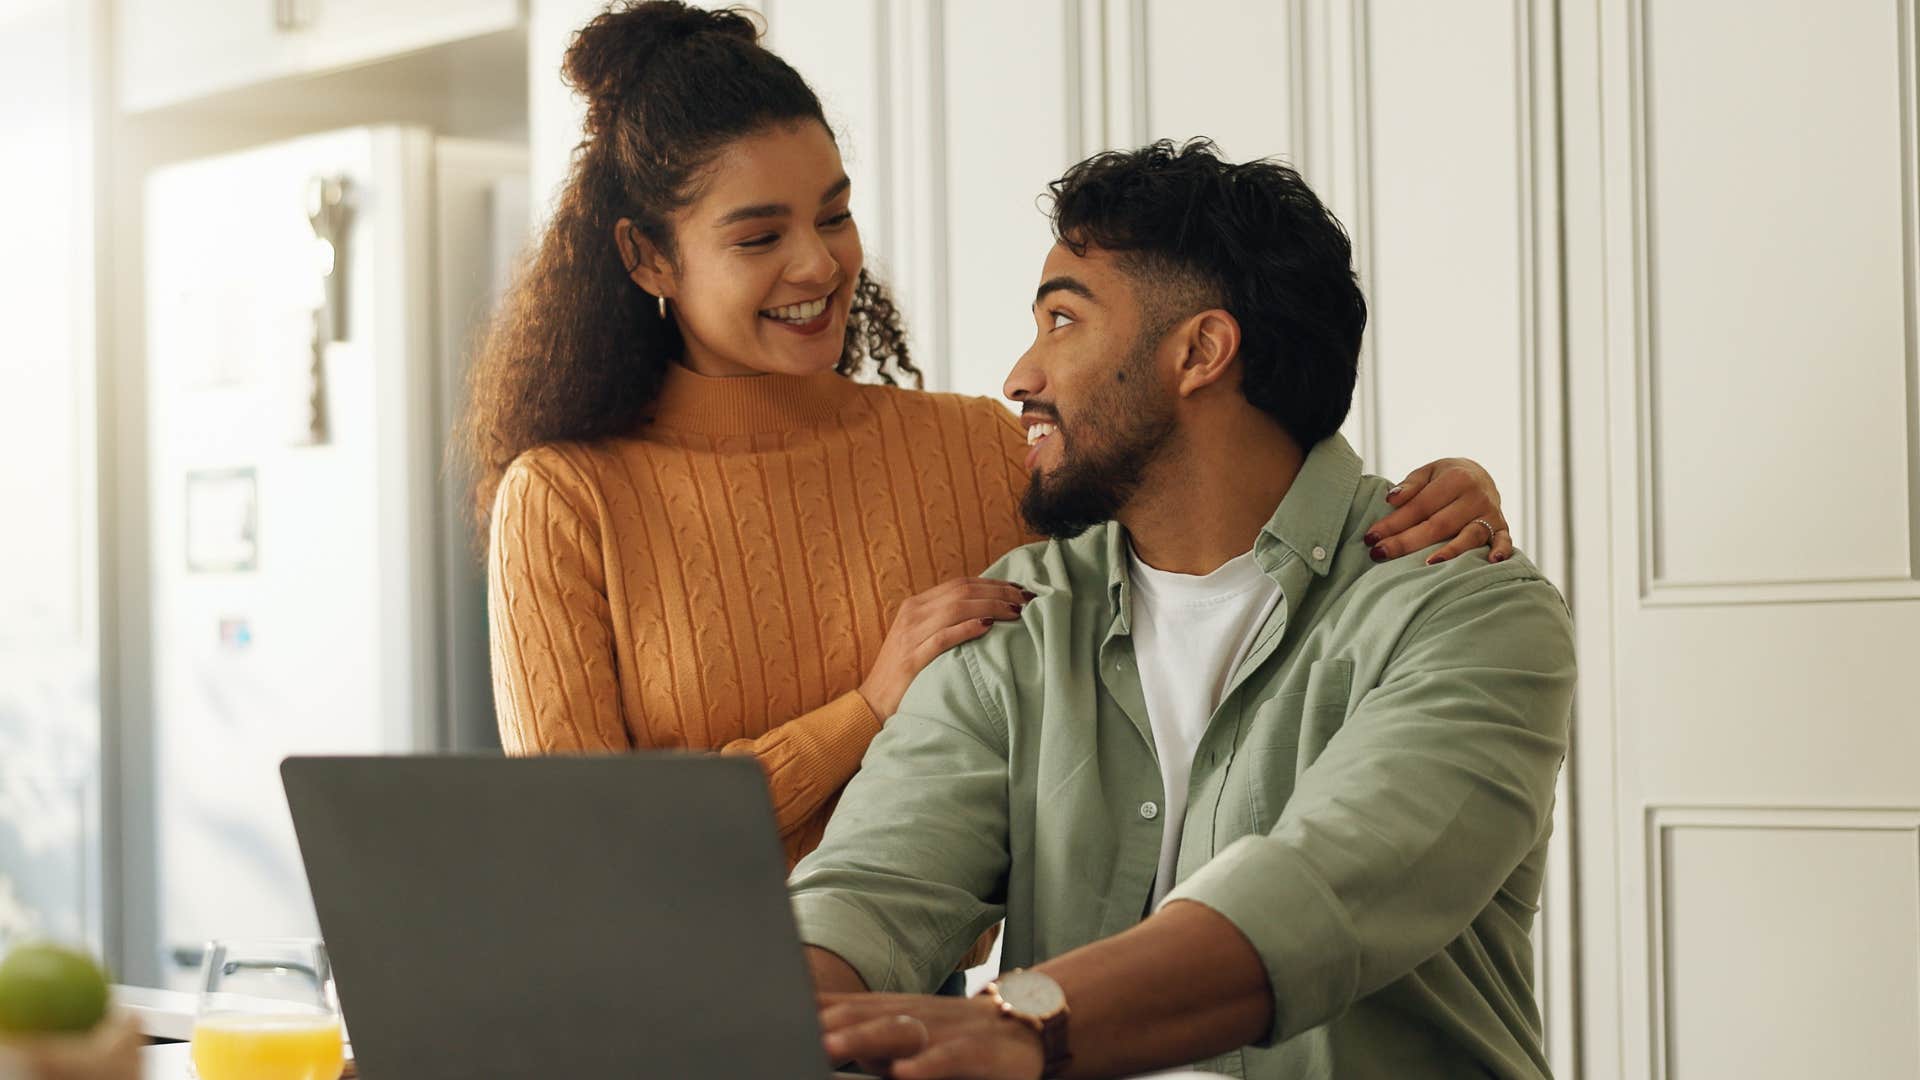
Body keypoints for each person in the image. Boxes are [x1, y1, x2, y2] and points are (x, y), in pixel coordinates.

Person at [462, 1, 1513, 874]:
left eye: (833, 215)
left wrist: (1427, 496)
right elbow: (577, 855)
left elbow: (1218, 520)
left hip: (924, 1024)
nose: (820, 267)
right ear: (648, 258)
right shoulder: (567, 498)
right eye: (758, 236)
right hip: (652, 1030)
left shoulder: (975, 449)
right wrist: (864, 709)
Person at [791, 140, 1576, 1080]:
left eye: (1062, 322)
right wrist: (782, 1014)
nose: (1020, 376)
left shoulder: (1469, 613)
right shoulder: (1018, 614)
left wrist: (1027, 1021)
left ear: (1199, 351)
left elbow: (1321, 893)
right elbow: (873, 890)